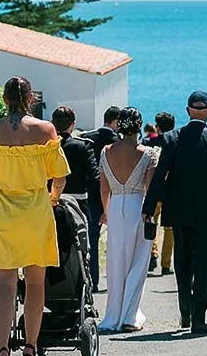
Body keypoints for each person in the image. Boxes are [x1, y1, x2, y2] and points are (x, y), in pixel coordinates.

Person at [0, 77, 71, 356]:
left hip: (2, 213)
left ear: (4, 99)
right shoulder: (45, 129)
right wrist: (53, 198)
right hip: (36, 212)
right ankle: (30, 345)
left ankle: (2, 347)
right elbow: (60, 177)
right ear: (31, 99)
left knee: (5, 283)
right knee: (36, 282)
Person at [142, 91, 207, 334]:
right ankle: (198, 317)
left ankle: (185, 311)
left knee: (183, 263)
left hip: (179, 211)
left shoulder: (173, 139)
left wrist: (148, 208)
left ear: (187, 111)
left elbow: (159, 176)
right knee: (205, 268)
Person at [98, 108, 159, 333]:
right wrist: (150, 212)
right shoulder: (148, 153)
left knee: (115, 263)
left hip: (115, 207)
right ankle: (130, 316)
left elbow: (103, 188)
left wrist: (107, 212)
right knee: (138, 262)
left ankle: (113, 315)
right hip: (139, 207)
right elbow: (151, 188)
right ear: (139, 125)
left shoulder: (106, 151)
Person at [80, 106, 120, 289]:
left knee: (91, 240)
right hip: (113, 193)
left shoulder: (88, 137)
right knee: (116, 241)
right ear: (116, 121)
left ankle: (92, 280)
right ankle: (116, 280)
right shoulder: (117, 141)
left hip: (90, 194)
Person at [51, 106, 100, 257]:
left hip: (51, 202)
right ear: (73, 124)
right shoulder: (83, 146)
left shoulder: (46, 147)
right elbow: (95, 177)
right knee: (85, 247)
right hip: (79, 203)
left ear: (52, 123)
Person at [148, 111, 177, 276]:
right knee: (169, 229)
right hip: (170, 191)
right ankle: (166, 264)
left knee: (151, 223)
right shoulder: (175, 142)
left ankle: (152, 254)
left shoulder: (149, 142)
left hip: (153, 188)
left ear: (157, 127)